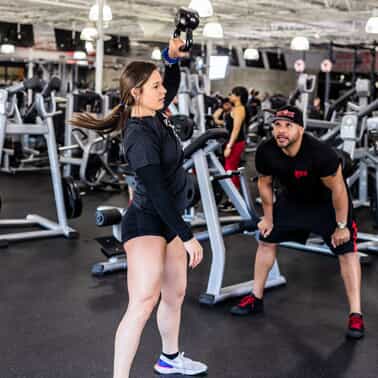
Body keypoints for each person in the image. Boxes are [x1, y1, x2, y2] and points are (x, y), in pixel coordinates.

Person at [71, 38, 208, 378]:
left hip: (169, 220)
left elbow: (172, 84)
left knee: (174, 294)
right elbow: (157, 193)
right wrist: (187, 235)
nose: (164, 91)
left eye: (161, 85)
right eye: (156, 86)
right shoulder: (138, 136)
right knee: (144, 301)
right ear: (137, 93)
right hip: (147, 221)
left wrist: (171, 60)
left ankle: (170, 358)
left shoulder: (157, 114)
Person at [230, 105, 365, 340]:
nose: (281, 131)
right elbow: (264, 184)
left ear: (301, 129)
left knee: (347, 251)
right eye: (277, 125)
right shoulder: (266, 151)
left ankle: (356, 313)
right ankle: (256, 297)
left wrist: (341, 227)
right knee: (265, 239)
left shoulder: (321, 154)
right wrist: (269, 218)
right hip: (293, 201)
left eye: (288, 125)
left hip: (326, 205)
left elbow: (339, 191)